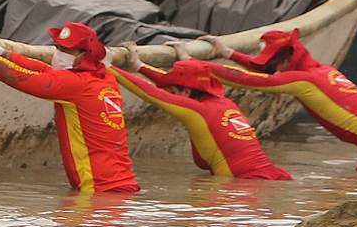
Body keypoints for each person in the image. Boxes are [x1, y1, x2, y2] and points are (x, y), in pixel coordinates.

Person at [201, 29, 357, 174]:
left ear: (288, 57)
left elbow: (249, 80)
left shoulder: (302, 80)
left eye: (273, 64)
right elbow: (263, 70)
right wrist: (228, 53)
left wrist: (195, 67)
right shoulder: (322, 70)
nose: (272, 70)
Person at [0, 13, 139, 193]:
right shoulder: (104, 78)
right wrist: (2, 52)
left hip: (100, 189)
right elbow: (45, 70)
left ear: (86, 54)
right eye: (58, 48)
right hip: (121, 185)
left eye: (66, 50)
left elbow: (21, 77)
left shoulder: (74, 84)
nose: (59, 54)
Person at [109, 41, 292, 180]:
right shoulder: (225, 102)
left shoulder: (197, 109)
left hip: (243, 183)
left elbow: (151, 93)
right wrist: (137, 65)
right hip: (268, 176)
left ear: (187, 91)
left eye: (173, 92)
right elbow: (167, 86)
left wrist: (109, 67)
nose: (171, 95)